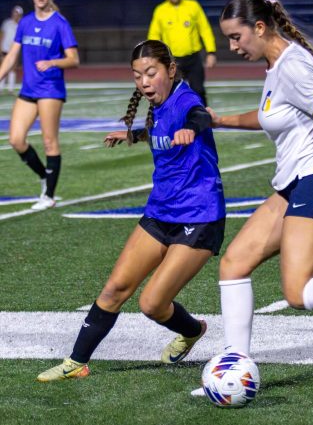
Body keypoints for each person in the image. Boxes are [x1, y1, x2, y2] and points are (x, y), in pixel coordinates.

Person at [205, 0, 313, 361]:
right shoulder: (276, 65)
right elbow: (269, 114)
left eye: (236, 37)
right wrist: (223, 121)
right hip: (291, 184)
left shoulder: (293, 66)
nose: (232, 47)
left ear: (259, 27)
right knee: (234, 263)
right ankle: (234, 366)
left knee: (297, 293)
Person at [37, 39, 225, 382]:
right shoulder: (157, 105)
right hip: (160, 210)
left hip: (199, 215)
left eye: (150, 73)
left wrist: (192, 128)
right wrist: (133, 135)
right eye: (137, 76)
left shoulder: (185, 98)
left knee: (152, 304)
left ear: (170, 70)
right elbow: (160, 130)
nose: (144, 82)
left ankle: (193, 330)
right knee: (115, 289)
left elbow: (198, 116)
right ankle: (76, 362)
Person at [0, 0, 79, 211]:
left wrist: (53, 63)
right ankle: (44, 176)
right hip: (29, 89)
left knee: (49, 141)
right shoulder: (24, 23)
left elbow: (74, 59)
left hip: (51, 89)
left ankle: (49, 196)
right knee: (16, 139)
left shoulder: (60, 23)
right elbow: (13, 55)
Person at [147, 0, 217, 106]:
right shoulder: (160, 10)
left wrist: (211, 52)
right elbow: (154, 35)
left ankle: (204, 119)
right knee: (170, 93)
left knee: (199, 90)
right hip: (172, 61)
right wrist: (153, 56)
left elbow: (205, 29)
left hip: (193, 59)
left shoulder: (193, 6)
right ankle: (170, 122)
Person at [0, 5, 23, 94]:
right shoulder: (7, 23)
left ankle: (10, 89)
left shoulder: (21, 25)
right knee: (3, 67)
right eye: (14, 12)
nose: (15, 14)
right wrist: (0, 48)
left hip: (14, 50)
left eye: (17, 13)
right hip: (5, 49)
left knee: (13, 69)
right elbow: (2, 36)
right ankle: (0, 88)